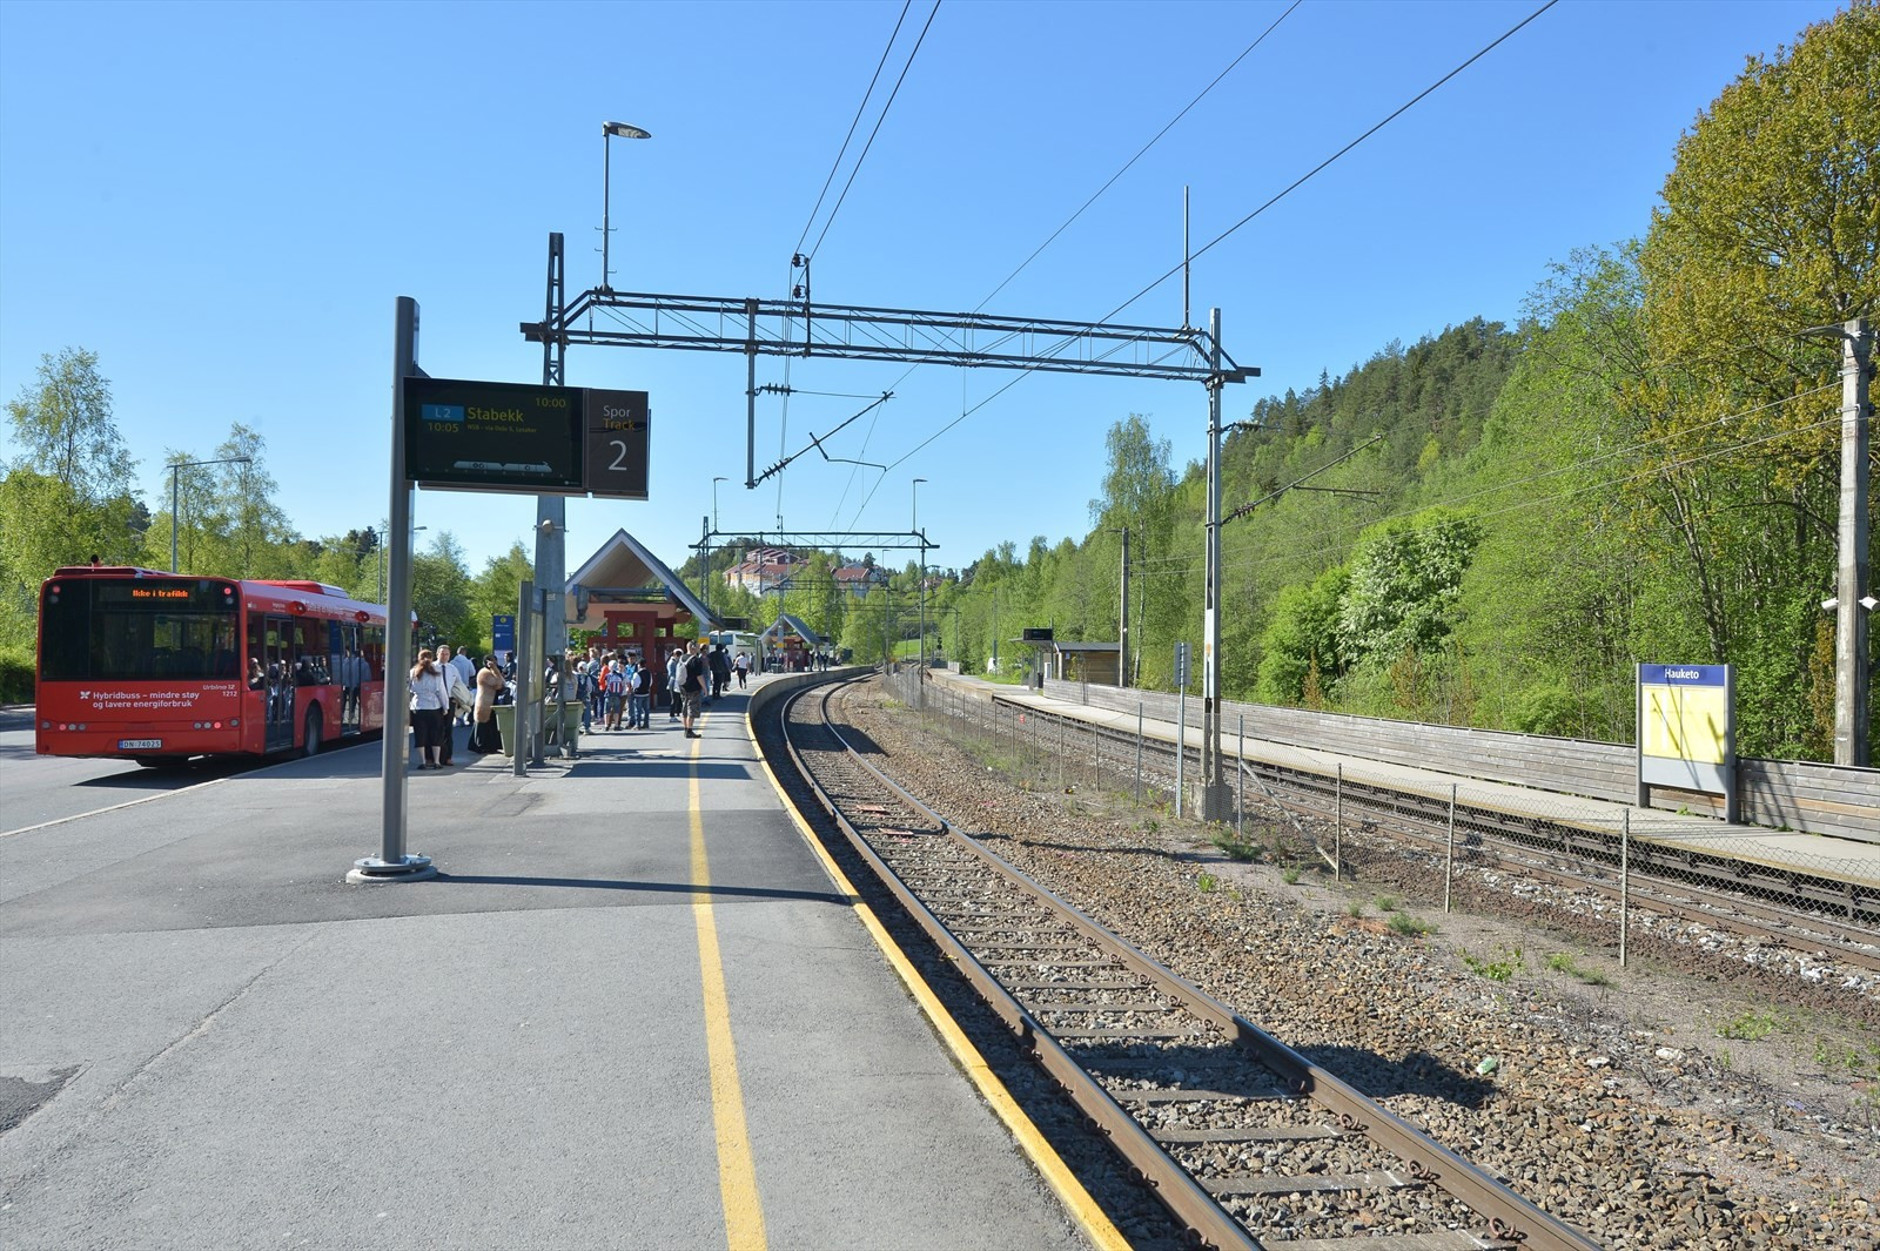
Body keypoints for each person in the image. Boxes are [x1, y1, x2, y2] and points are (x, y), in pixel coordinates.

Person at [409, 648, 450, 769]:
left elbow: (408, 690)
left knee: (420, 735)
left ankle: (423, 761)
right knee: (436, 735)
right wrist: (445, 707)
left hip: (418, 707)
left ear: (419, 658)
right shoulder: (436, 672)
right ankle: (436, 761)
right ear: (431, 658)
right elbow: (441, 691)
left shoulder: (413, 672)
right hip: (434, 707)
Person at [471, 654, 504, 755]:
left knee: (492, 725)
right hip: (485, 702)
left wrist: (495, 670)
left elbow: (502, 682)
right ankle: (480, 746)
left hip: (491, 701)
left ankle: (491, 746)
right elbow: (498, 684)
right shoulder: (484, 673)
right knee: (483, 725)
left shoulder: (491, 672)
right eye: (492, 661)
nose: (495, 663)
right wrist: (495, 670)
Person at [680, 640, 707, 739]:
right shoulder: (695, 660)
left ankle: (686, 729)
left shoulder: (681, 658)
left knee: (684, 708)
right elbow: (699, 676)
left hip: (682, 687)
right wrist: (705, 688)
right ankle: (690, 731)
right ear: (692, 648)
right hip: (693, 688)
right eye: (697, 647)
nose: (698, 649)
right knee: (692, 708)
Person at [629, 657, 651, 729]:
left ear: (639, 665)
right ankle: (646, 724)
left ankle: (638, 725)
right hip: (646, 693)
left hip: (638, 694)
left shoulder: (637, 674)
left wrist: (633, 689)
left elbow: (635, 684)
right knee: (646, 710)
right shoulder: (648, 673)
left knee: (638, 711)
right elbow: (650, 683)